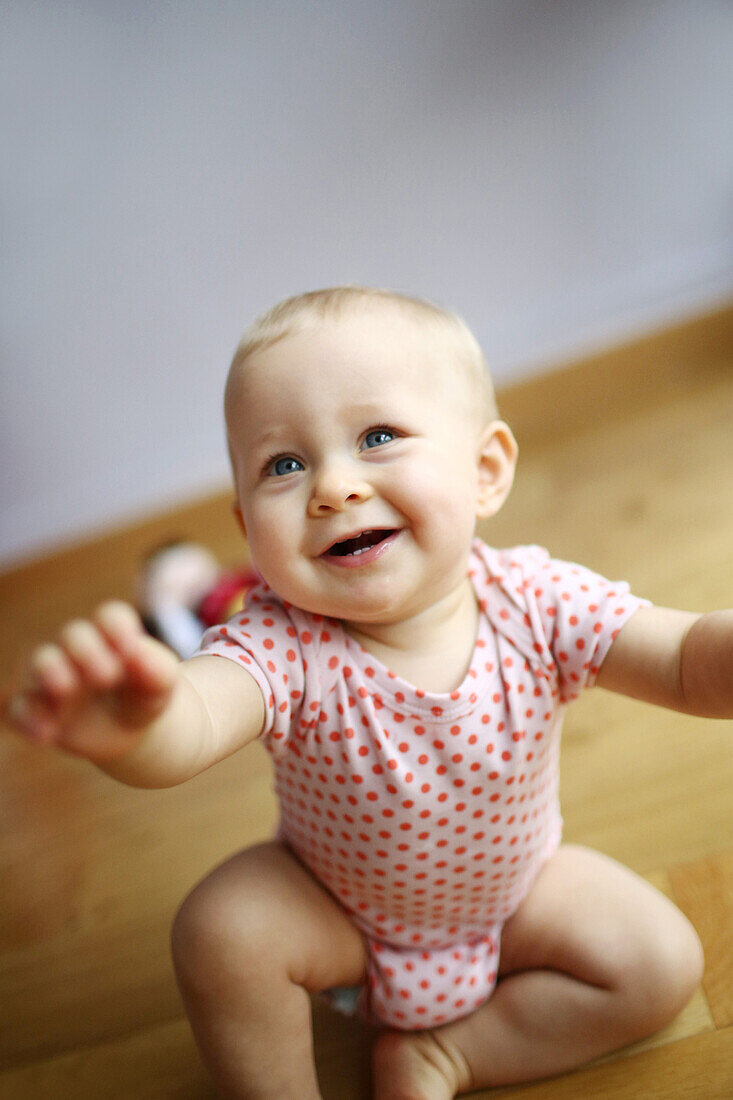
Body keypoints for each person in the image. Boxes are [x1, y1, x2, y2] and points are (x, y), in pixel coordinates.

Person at [8, 284, 727, 1100]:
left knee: (661, 960)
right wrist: (141, 727)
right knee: (221, 931)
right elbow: (199, 717)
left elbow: (678, 660)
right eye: (284, 464)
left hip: (517, 898)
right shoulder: (284, 642)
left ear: (484, 471)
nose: (332, 487)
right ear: (248, 528)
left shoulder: (537, 601)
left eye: (376, 436)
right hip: (336, 916)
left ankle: (449, 1055)